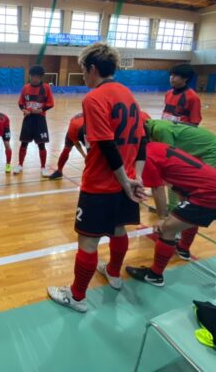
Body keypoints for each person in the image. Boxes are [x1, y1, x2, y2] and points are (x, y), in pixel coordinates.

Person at [47, 43, 146, 313]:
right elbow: (142, 138)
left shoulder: (94, 98)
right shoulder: (128, 94)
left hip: (101, 184)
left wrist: (125, 181)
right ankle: (114, 273)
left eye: (83, 70)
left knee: (88, 242)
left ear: (92, 68)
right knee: (118, 229)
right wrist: (134, 177)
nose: (84, 75)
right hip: (125, 180)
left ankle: (77, 296)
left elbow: (106, 145)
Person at [126, 142, 216, 287]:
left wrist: (162, 218)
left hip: (212, 194)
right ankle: (183, 249)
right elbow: (177, 180)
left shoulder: (146, 157)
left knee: (167, 228)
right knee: (187, 217)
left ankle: (155, 275)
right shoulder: (156, 146)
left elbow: (157, 189)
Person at [144, 118, 216, 260]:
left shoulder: (160, 132)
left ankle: (176, 229)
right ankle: (183, 246)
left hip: (214, 152)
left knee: (195, 194)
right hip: (206, 153)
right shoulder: (156, 125)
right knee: (188, 195)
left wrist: (168, 217)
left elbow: (167, 171)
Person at [14, 65, 55, 177]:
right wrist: (24, 110)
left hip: (40, 119)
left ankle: (43, 167)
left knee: (41, 144)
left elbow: (50, 103)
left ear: (41, 77)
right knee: (24, 143)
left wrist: (41, 110)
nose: (35, 78)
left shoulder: (46, 88)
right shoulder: (25, 88)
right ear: (30, 76)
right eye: (33, 76)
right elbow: (21, 103)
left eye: (37, 76)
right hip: (28, 119)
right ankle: (20, 165)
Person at [49, 112, 86, 180]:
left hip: (88, 128)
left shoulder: (92, 126)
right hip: (74, 129)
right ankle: (59, 171)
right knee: (66, 150)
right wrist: (84, 156)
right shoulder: (72, 130)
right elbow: (77, 144)